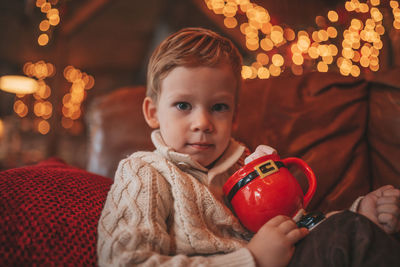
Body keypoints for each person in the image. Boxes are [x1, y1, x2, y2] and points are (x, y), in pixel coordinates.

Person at [97, 27, 400, 267]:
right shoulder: (145, 173)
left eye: (218, 107)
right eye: (183, 105)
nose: (202, 122)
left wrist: (359, 215)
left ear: (235, 115)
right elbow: (125, 261)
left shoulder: (250, 167)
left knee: (351, 230)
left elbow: (296, 226)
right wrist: (251, 259)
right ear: (152, 112)